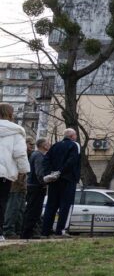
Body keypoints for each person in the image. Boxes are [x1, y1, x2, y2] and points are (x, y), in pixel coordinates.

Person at [41, 128, 81, 238]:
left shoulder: (55, 146)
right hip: (67, 179)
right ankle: (61, 230)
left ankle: (45, 231)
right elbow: (72, 160)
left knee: (51, 205)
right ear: (72, 136)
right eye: (76, 135)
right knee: (66, 205)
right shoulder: (74, 145)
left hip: (54, 180)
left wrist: (49, 173)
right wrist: (61, 171)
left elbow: (46, 160)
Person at [0, 103, 31, 242]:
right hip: (4, 173)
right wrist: (24, 170)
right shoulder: (16, 132)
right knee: (1, 203)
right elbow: (20, 154)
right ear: (11, 114)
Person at [3, 137, 34, 238]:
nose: (32, 148)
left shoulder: (27, 156)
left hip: (21, 187)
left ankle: (16, 230)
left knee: (20, 210)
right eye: (30, 145)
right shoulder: (18, 155)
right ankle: (8, 230)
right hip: (15, 186)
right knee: (13, 209)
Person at [21, 138, 50, 239]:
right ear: (42, 145)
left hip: (32, 186)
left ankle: (26, 233)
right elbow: (39, 172)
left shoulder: (35, 154)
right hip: (36, 187)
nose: (49, 144)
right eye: (47, 143)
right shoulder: (39, 156)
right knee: (34, 211)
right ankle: (28, 234)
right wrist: (45, 181)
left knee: (31, 210)